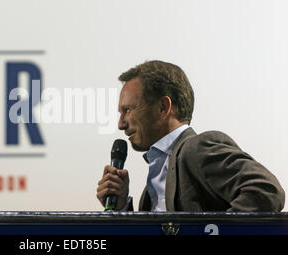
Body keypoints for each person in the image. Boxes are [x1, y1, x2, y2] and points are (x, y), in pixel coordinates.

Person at [97, 60, 285, 211]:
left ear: (163, 107)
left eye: (128, 110)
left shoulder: (196, 148)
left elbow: (266, 191)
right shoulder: (158, 175)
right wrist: (121, 207)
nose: (121, 124)